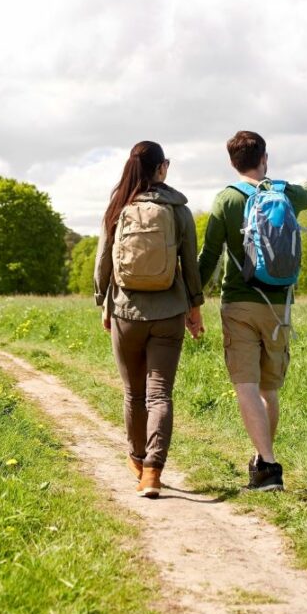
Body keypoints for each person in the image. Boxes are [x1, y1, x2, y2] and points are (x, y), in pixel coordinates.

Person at [197, 131, 307, 491]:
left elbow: (209, 256)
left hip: (239, 304)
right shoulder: (286, 193)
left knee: (245, 385)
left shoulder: (226, 200)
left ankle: (269, 467)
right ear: (265, 157)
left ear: (233, 161)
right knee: (269, 389)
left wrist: (191, 300)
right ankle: (263, 459)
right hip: (279, 307)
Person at [95, 141, 205, 498]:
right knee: (160, 395)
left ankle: (138, 459)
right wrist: (194, 307)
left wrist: (104, 303)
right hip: (169, 311)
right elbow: (190, 263)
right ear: (161, 168)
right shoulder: (177, 210)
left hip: (126, 310)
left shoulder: (117, 207)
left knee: (134, 394)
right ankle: (153, 474)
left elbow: (103, 263)